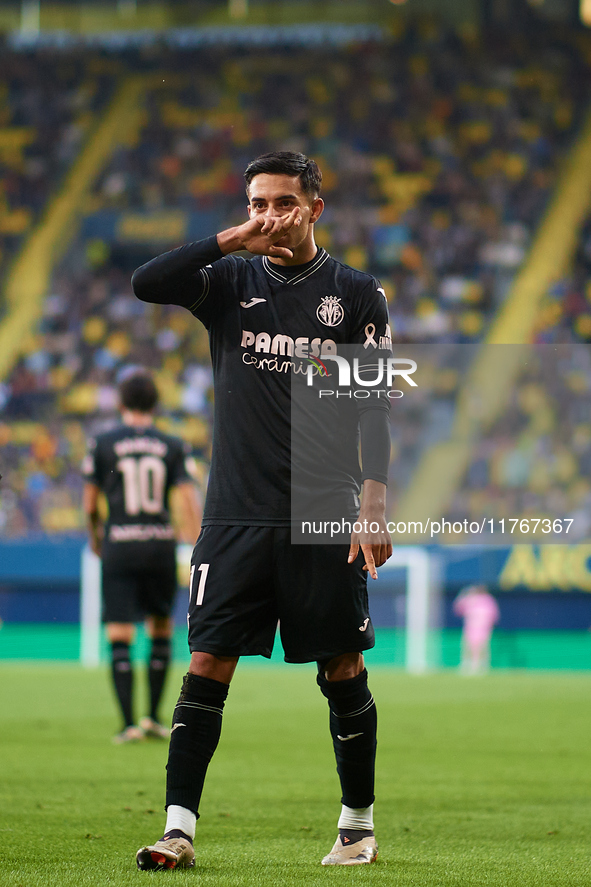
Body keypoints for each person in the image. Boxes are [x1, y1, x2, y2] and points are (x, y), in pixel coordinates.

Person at [131, 151, 393, 869]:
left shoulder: (355, 293)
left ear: (314, 206)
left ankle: (356, 825)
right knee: (208, 661)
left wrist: (373, 502)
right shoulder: (227, 280)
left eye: (281, 202)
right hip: (234, 515)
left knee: (341, 666)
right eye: (256, 203)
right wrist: (228, 240)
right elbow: (144, 281)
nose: (268, 216)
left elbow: (371, 407)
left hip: (321, 509)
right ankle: (177, 828)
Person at [82, 370, 202, 743]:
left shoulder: (101, 442)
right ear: (155, 405)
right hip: (159, 545)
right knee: (160, 628)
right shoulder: (172, 444)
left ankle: (128, 723)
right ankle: (152, 717)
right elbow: (186, 497)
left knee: (120, 633)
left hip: (119, 543)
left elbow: (89, 504)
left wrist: (97, 537)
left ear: (121, 404)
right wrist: (196, 538)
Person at [453, 584, 500, 675]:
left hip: (483, 629)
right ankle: (467, 666)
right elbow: (458, 609)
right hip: (470, 629)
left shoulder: (488, 600)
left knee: (482, 648)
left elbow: (494, 615)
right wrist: (463, 595)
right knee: (468, 648)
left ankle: (481, 666)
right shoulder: (471, 599)